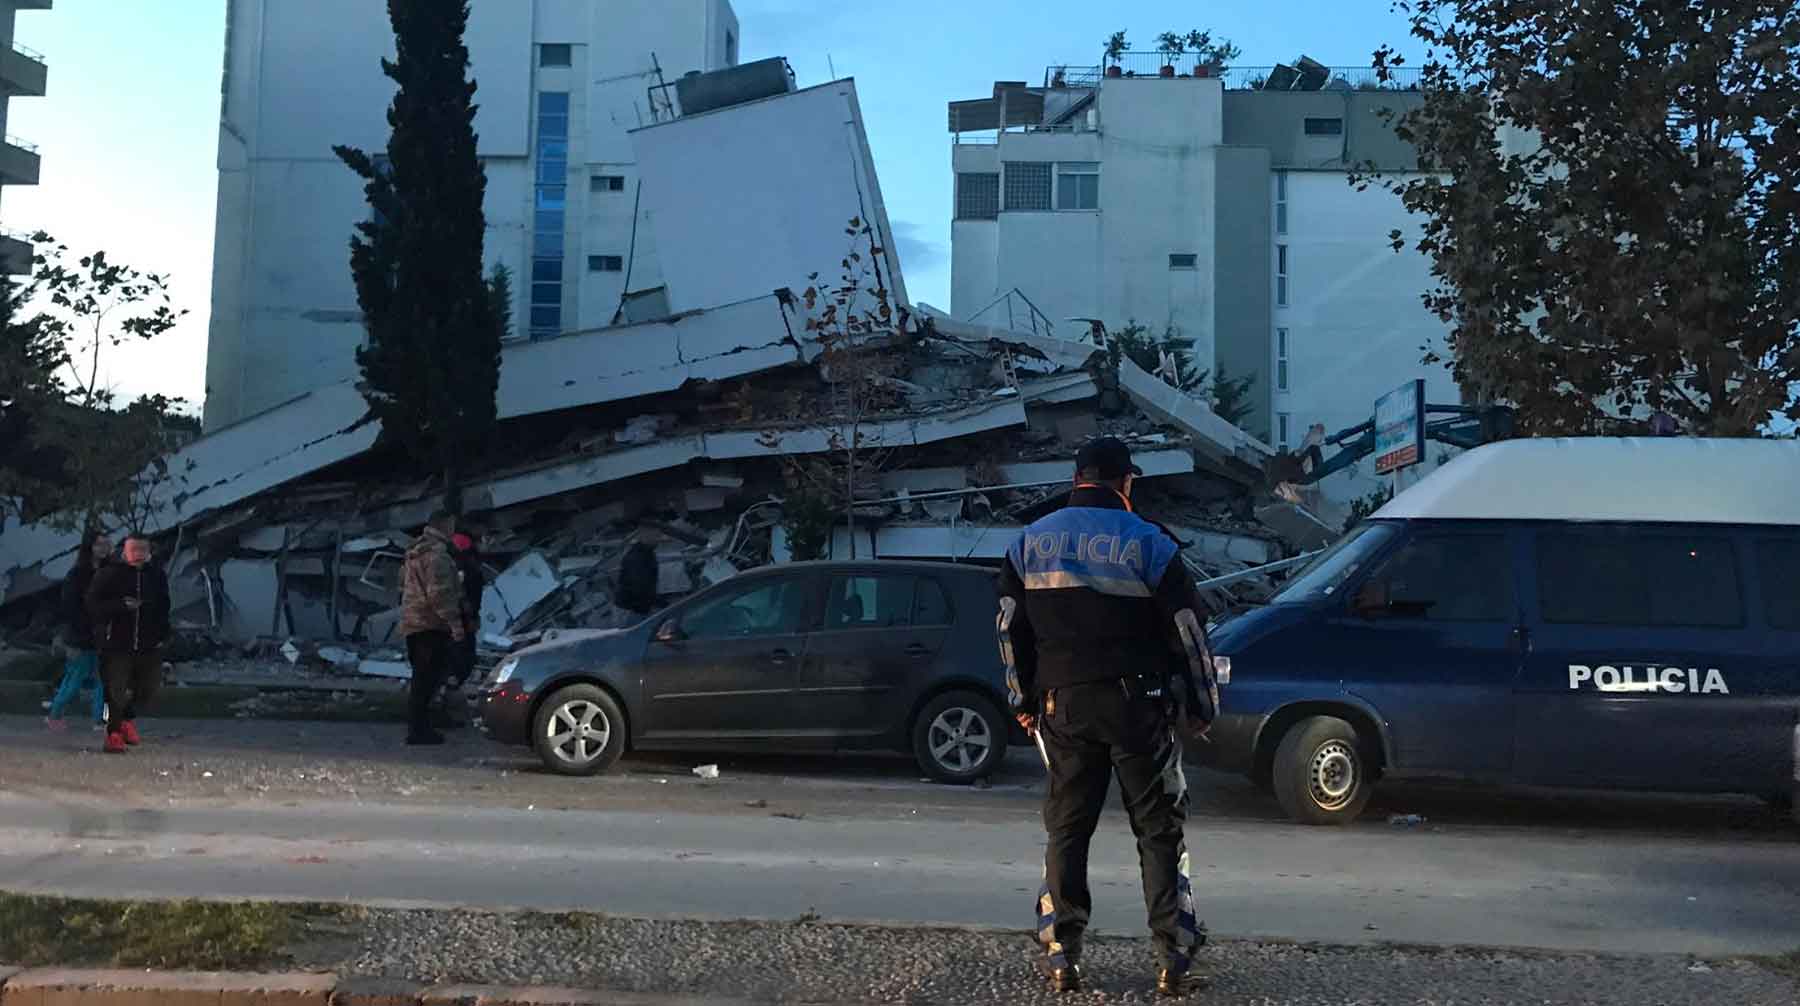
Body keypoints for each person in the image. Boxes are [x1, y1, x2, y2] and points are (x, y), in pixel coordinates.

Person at [998, 437, 1217, 997]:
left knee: (1068, 828)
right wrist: (1201, 704)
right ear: (1127, 483)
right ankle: (1173, 955)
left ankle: (1061, 953)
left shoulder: (1030, 543)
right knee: (1157, 829)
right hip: (1137, 707)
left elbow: (1009, 630)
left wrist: (1023, 701)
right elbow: (1189, 632)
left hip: (1063, 706)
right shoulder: (1151, 542)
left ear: (1077, 479)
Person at [85, 534, 170, 754]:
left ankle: (126, 718)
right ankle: (112, 733)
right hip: (116, 643)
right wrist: (120, 606)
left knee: (148, 688)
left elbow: (164, 606)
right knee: (115, 689)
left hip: (148, 643)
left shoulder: (156, 575)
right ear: (125, 551)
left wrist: (163, 634)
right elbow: (92, 604)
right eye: (134, 549)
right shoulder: (109, 573)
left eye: (143, 549)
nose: (138, 554)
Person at [399, 510, 465, 746]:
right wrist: (455, 625)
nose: (454, 530)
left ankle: (418, 727)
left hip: (413, 623)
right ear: (445, 525)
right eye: (452, 525)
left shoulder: (414, 552)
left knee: (421, 679)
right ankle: (419, 730)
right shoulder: (438, 556)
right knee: (427, 681)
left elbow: (401, 585)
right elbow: (441, 595)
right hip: (431, 624)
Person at [46, 531, 111, 732]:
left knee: (105, 680)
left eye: (106, 544)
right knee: (75, 679)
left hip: (103, 635)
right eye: (99, 544)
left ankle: (101, 720)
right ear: (89, 547)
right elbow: (69, 607)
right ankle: (54, 714)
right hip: (80, 637)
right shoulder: (76, 574)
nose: (103, 548)